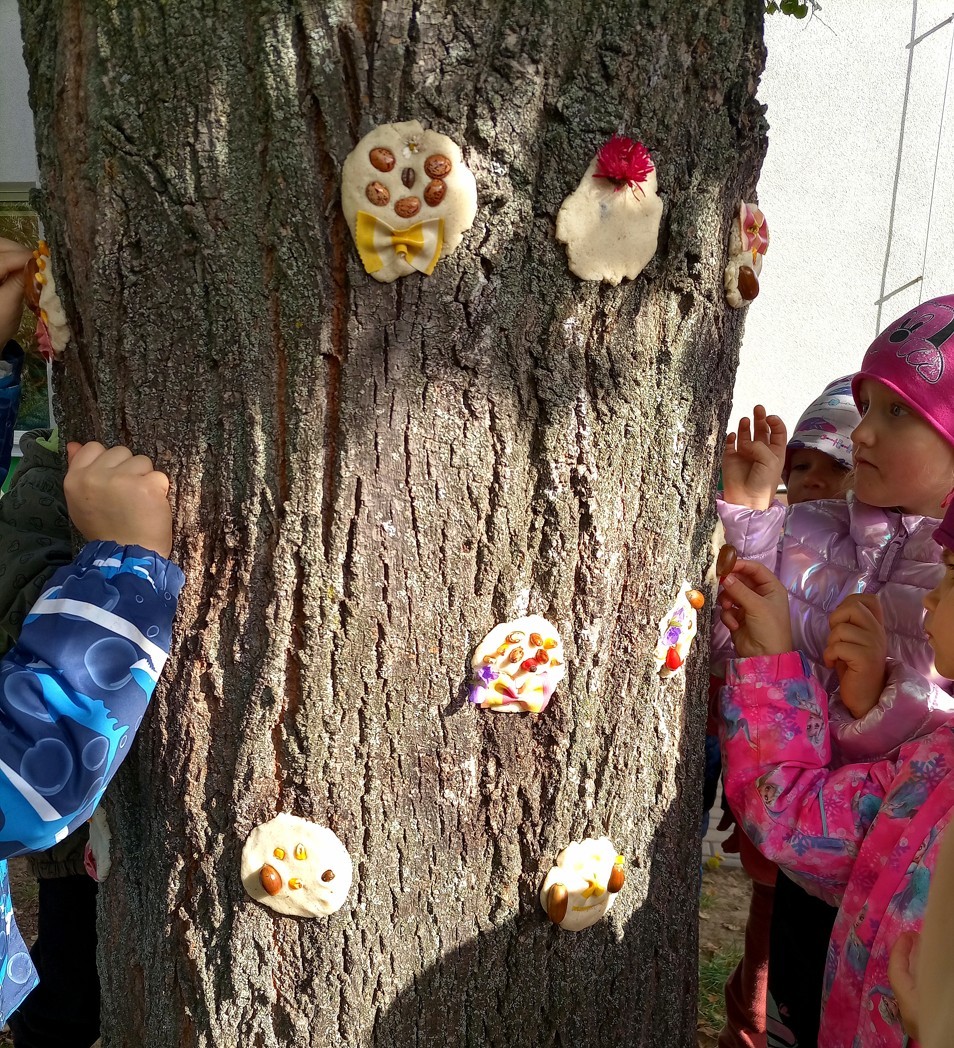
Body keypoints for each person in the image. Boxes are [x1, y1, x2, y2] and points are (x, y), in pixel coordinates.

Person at [715, 294, 954, 1046]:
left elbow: (933, 760)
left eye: (900, 412)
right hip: (803, 864)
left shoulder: (945, 573)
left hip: (874, 883)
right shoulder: (813, 526)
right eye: (867, 405)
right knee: (791, 1006)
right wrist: (751, 517)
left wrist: (874, 698)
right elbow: (733, 641)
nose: (864, 433)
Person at [715, 375, 859, 1048]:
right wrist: (748, 517)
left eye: (838, 467)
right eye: (801, 467)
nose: (814, 482)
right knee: (767, 949)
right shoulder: (785, 543)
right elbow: (731, 651)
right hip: (778, 803)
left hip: (835, 826)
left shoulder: (896, 564)